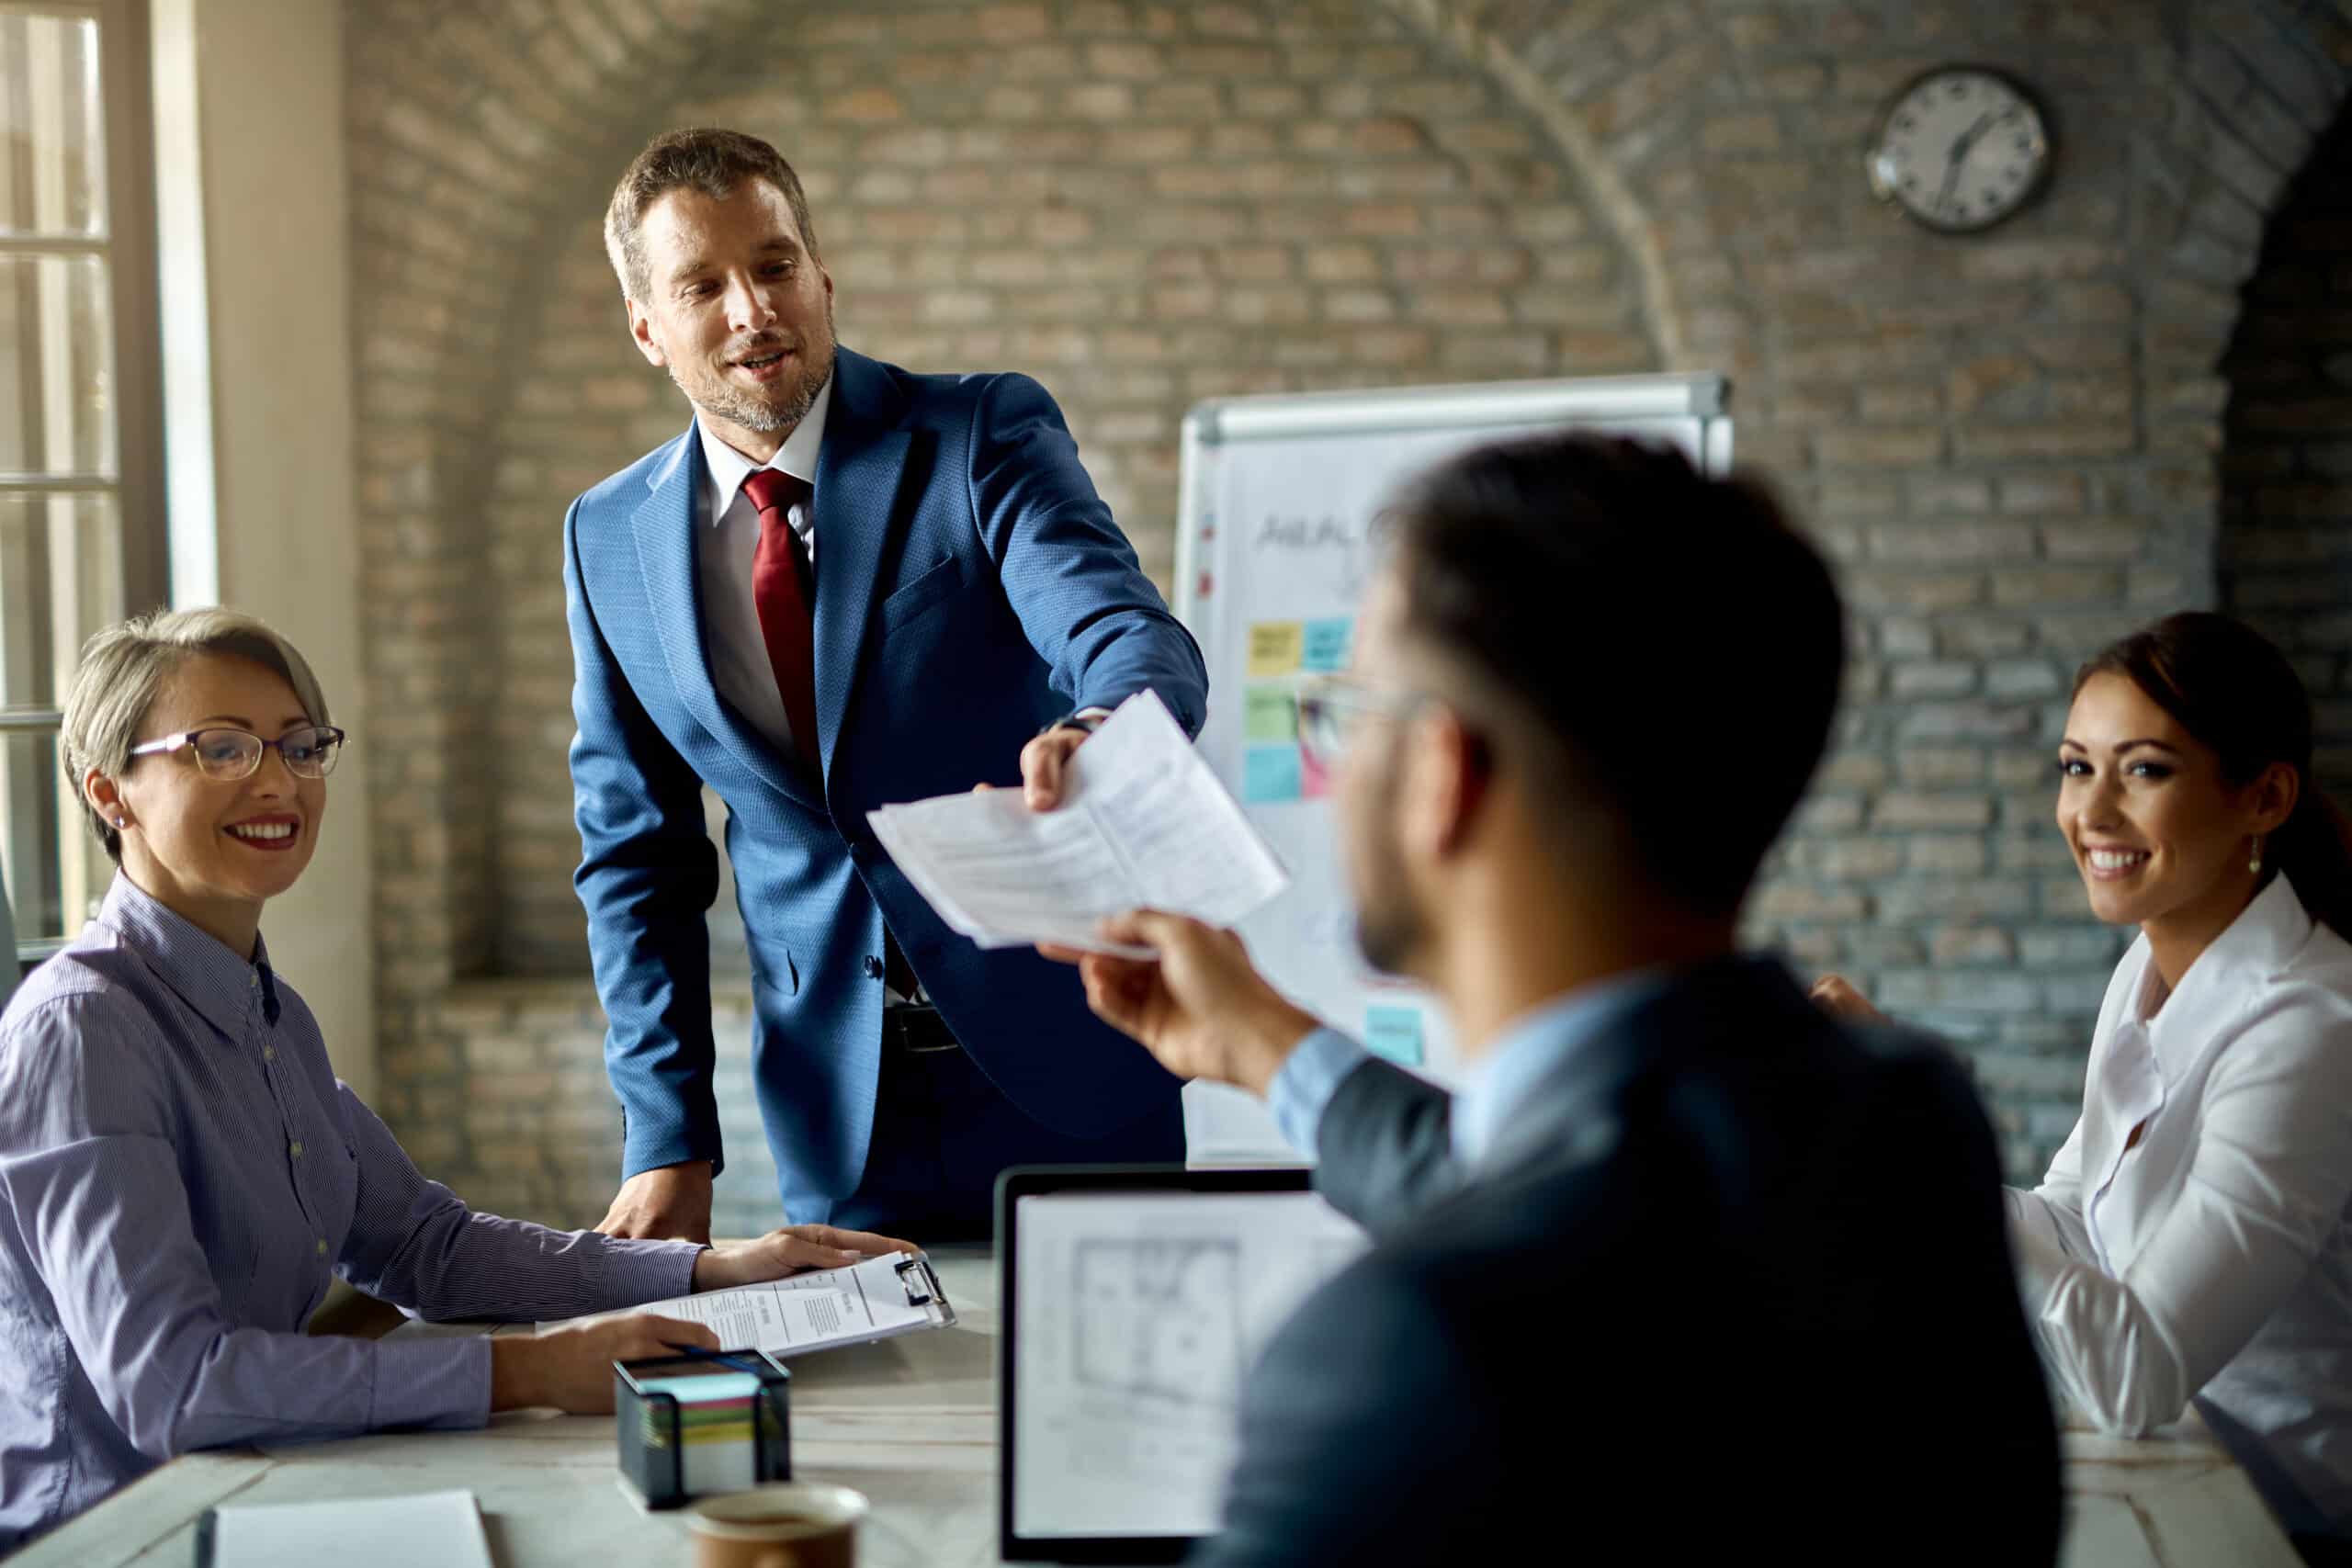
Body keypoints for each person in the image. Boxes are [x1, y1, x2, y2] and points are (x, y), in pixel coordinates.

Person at [1048, 434, 2062, 1563]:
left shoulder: (1402, 1354)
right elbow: (1555, 1176)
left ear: (1440, 775)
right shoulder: (1907, 1121)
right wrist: (1261, 1042)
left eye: (1347, 712)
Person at [0, 609, 912, 1551]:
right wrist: (528, 1373)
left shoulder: (272, 1014)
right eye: (221, 749)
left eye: (300, 746)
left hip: (256, 1491)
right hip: (111, 1535)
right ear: (110, 793)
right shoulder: (81, 1030)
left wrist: (709, 1268)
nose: (278, 781)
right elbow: (174, 1388)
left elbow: (424, 1247)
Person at [569, 128, 1208, 1244]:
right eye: (702, 286)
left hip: (1070, 1062)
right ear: (646, 329)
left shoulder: (978, 434)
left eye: (774, 266)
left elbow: (1120, 629)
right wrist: (667, 1132)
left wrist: (1102, 726)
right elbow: (637, 860)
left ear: (821, 278)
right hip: (841, 1118)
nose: (752, 310)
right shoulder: (606, 536)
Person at [1815, 612, 2352, 1551]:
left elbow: (2137, 1373)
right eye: (2076, 766)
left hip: (2291, 1514)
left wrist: (1914, 1133)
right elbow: (2074, 1220)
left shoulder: (2313, 1027)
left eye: (2143, 770)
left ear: (2264, 798)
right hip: (2182, 1469)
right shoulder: (2147, 965)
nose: (2091, 813)